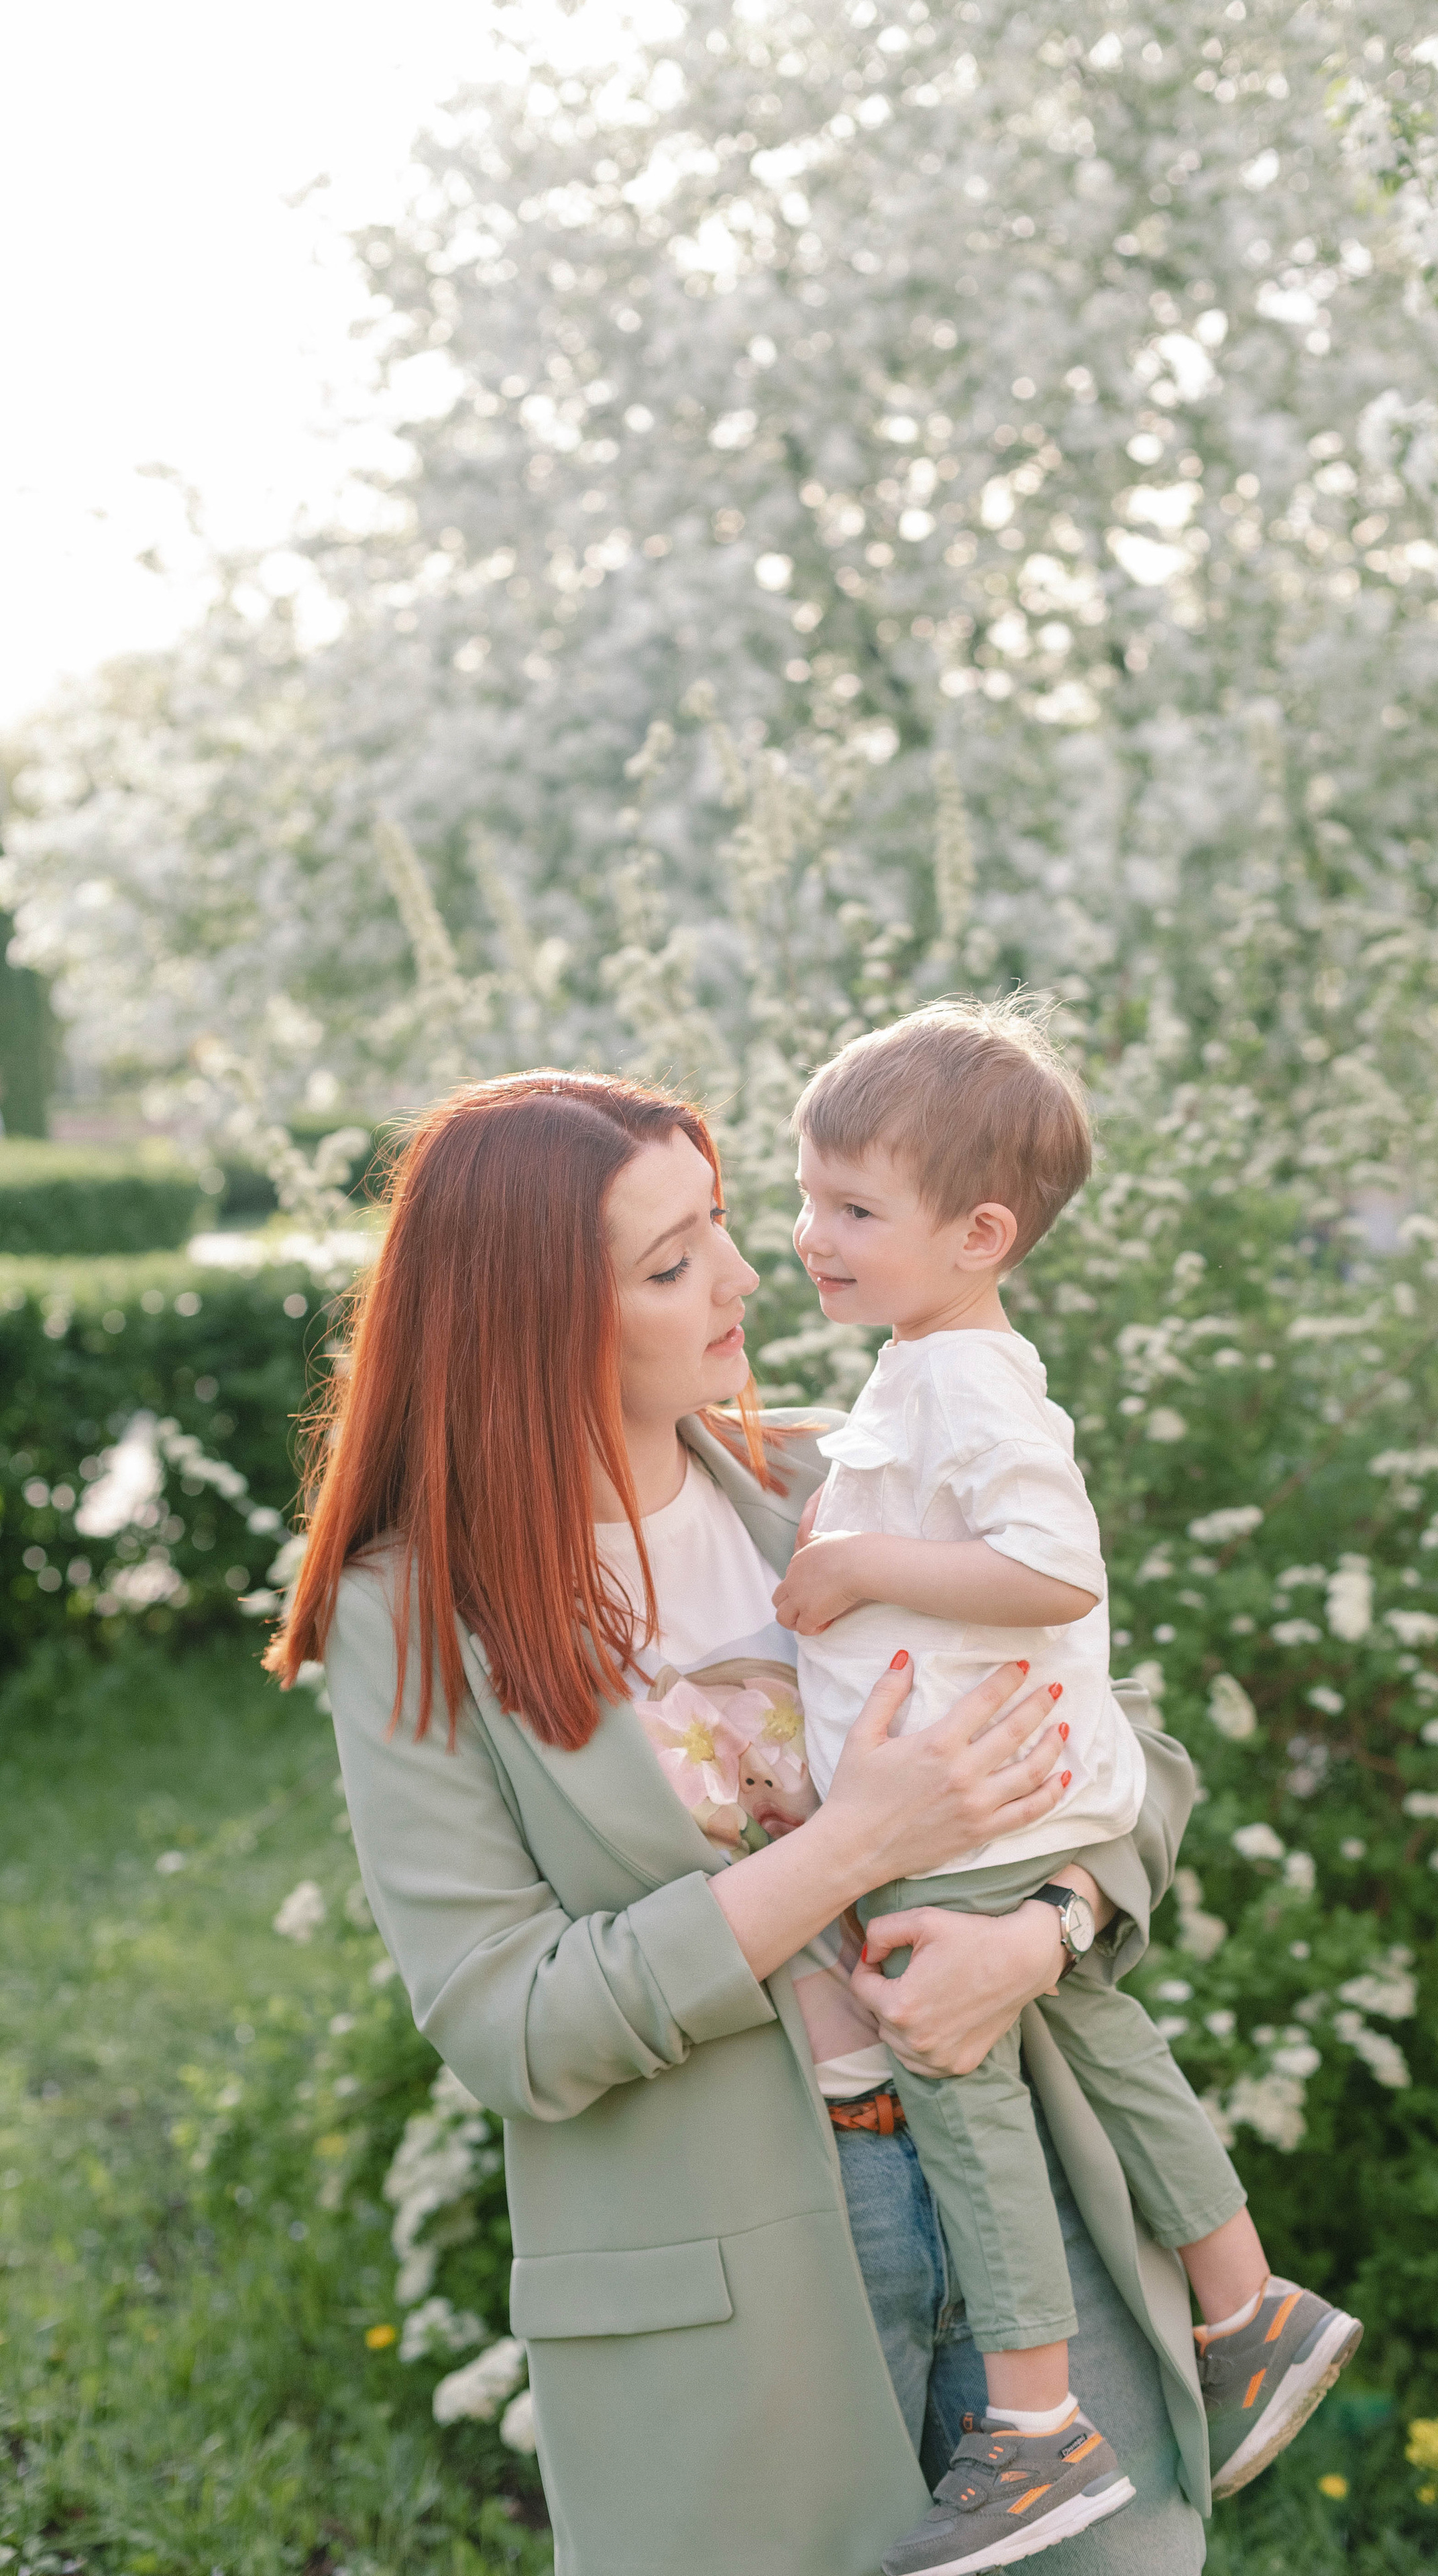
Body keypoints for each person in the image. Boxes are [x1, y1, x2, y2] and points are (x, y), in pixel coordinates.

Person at [266, 1068, 1215, 2576]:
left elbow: (1130, 1757)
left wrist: (1043, 1934)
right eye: (669, 1262)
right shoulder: (413, 1617)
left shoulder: (836, 1476)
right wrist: (847, 1843)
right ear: (528, 1322)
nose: (741, 1272)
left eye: (718, 1222)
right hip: (736, 2274)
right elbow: (512, 2023)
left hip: (1018, 2177)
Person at [775, 1001, 1362, 2572]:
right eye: (805, 1196)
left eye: (848, 1209)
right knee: (1098, 2032)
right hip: (1011, 1800)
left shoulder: (962, 1381)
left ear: (977, 1234)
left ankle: (1033, 2433)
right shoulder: (926, 1364)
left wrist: (845, 1569)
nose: (805, 1236)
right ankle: (1245, 2311)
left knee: (957, 2088)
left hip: (969, 1817)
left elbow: (1048, 1569)